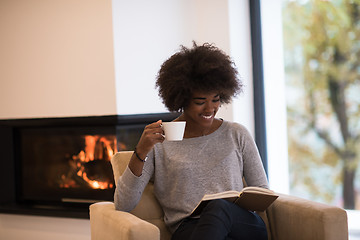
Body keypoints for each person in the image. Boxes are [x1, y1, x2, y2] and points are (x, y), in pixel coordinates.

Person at [114, 42, 269, 240]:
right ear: (182, 99)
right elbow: (123, 204)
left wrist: (237, 202)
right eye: (200, 101)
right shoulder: (160, 142)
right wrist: (141, 151)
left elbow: (262, 191)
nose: (210, 108)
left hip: (242, 225)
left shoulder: (236, 133)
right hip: (189, 229)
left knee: (219, 207)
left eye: (216, 99)